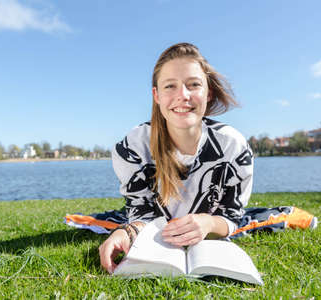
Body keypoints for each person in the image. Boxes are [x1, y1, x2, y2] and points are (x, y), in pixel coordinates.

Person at [99, 42, 253, 274]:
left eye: (194, 85)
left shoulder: (233, 146)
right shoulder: (133, 146)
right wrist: (126, 232)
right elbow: (141, 212)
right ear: (156, 95)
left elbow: (232, 216)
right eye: (170, 86)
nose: (183, 96)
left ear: (208, 92)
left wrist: (208, 223)